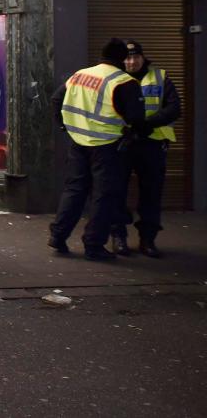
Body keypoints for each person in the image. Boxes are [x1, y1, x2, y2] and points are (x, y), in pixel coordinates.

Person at [49, 38, 145, 261]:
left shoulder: (80, 75)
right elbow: (137, 119)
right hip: (107, 147)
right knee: (103, 196)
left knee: (74, 190)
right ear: (122, 58)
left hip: (78, 142)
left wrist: (65, 126)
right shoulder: (124, 82)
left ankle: (58, 236)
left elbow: (56, 100)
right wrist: (131, 134)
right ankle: (93, 245)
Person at [110, 40, 180, 257]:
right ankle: (118, 237)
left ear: (142, 57)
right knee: (116, 191)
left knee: (151, 193)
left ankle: (148, 239)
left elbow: (174, 108)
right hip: (122, 142)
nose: (132, 62)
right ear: (121, 60)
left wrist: (147, 125)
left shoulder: (159, 77)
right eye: (128, 58)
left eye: (136, 57)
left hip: (152, 143)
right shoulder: (112, 78)